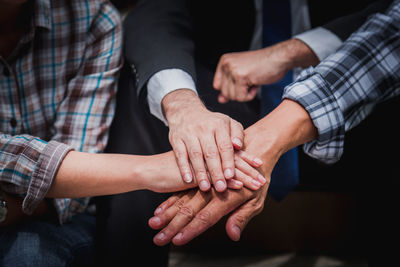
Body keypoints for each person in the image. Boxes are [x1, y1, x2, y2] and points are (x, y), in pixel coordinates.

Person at [96, 0, 392, 266]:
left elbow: (391, 25)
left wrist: (294, 51)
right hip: (230, 97)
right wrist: (181, 104)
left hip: (360, 110)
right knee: (143, 94)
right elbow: (157, 12)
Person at [0, 0, 265, 266]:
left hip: (57, 218)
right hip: (56, 207)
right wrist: (151, 170)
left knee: (30, 254)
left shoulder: (90, 18)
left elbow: (73, 189)